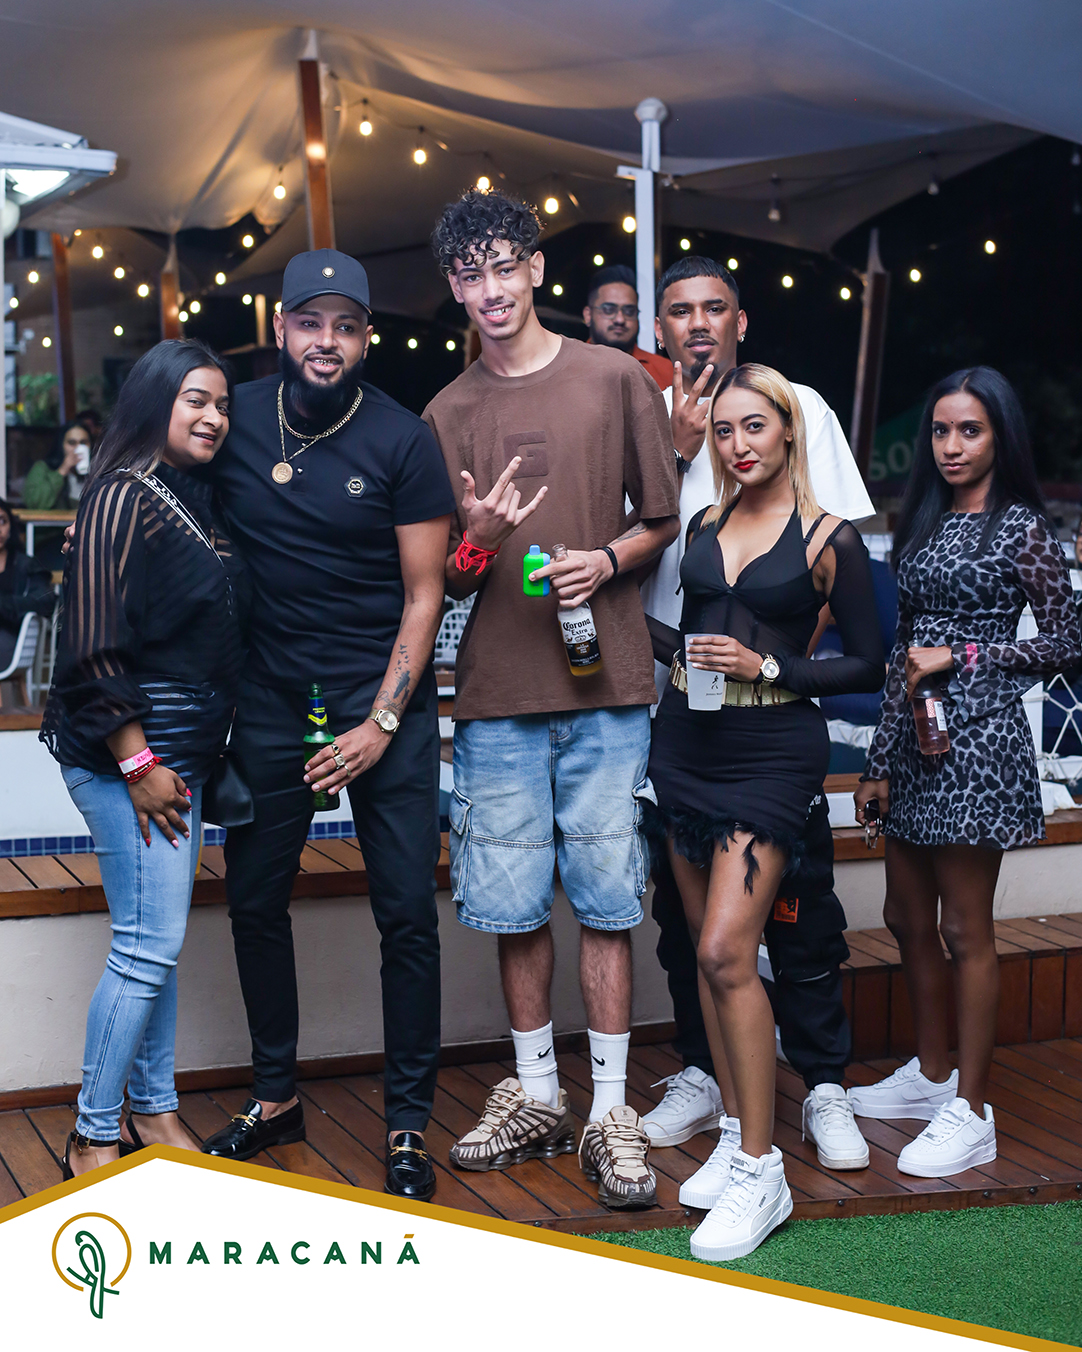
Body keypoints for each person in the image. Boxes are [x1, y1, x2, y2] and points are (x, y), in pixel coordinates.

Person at [424, 188, 680, 1209]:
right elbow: (443, 580)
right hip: (495, 694)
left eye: (504, 266)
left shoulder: (614, 377)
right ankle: (536, 1094)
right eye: (469, 274)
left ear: (535, 269)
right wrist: (478, 541)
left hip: (607, 684)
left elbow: (661, 519)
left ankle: (610, 1108)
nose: (489, 288)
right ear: (454, 289)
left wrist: (603, 561)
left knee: (609, 900)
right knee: (510, 902)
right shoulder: (445, 413)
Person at [191, 250, 455, 1204]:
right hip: (272, 704)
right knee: (255, 901)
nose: (327, 342)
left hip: (383, 703)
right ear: (281, 326)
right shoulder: (232, 417)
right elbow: (154, 483)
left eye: (346, 326)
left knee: (406, 914)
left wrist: (381, 721)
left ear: (366, 337)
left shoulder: (402, 439)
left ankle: (407, 1122)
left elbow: (425, 595)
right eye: (311, 322)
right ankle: (275, 1098)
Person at [640, 256, 876, 1175]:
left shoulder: (809, 446)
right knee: (698, 945)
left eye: (714, 307)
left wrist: (773, 669)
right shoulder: (684, 481)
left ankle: (813, 1094)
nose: (738, 443)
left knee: (779, 928)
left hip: (772, 737)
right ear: (660, 327)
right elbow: (666, 588)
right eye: (679, 310)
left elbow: (852, 628)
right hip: (684, 729)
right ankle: (726, 1107)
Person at [853, 367, 1080, 1178]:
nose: (952, 445)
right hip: (916, 742)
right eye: (942, 430)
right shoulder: (924, 520)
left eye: (970, 431)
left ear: (1000, 437)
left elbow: (1068, 640)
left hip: (980, 745)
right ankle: (931, 1074)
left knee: (964, 930)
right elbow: (902, 648)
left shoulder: (1022, 529)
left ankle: (973, 1111)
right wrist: (878, 760)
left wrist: (967, 653)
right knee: (905, 916)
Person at [40, 339, 247, 1178]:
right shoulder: (122, 495)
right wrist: (137, 763)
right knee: (146, 947)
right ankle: (93, 1134)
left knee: (153, 945)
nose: (214, 417)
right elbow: (93, 647)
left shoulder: (186, 496)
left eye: (223, 404)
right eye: (196, 399)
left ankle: (155, 1111)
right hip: (131, 763)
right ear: (155, 400)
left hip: (177, 762)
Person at [582, 263, 673, 389]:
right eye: (609, 310)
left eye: (629, 311)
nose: (620, 319)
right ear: (588, 315)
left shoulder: (665, 370)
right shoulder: (571, 367)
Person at [0, 497, 56, 676]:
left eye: (2, 521)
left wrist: (4, 605)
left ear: (11, 527)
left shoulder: (25, 564)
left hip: (12, 641)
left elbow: (45, 601)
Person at [23, 420, 93, 511]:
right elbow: (35, 504)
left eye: (83, 443)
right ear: (61, 445)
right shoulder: (43, 469)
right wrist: (62, 471)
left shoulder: (97, 472)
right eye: (72, 443)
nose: (78, 448)